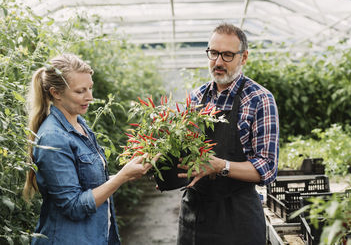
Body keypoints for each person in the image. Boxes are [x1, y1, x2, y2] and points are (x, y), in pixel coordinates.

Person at [23, 54, 157, 245]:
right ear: (56, 93)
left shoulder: (80, 124)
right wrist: (121, 177)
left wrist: (125, 174)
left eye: (90, 88)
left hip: (98, 235)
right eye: (80, 91)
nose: (90, 97)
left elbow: (88, 186)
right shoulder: (53, 137)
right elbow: (73, 206)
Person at [177, 23, 279, 245]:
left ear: (244, 58)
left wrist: (221, 166)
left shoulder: (259, 100)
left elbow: (267, 168)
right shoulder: (195, 98)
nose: (218, 62)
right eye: (213, 53)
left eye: (227, 55)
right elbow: (185, 154)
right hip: (194, 214)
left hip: (237, 218)